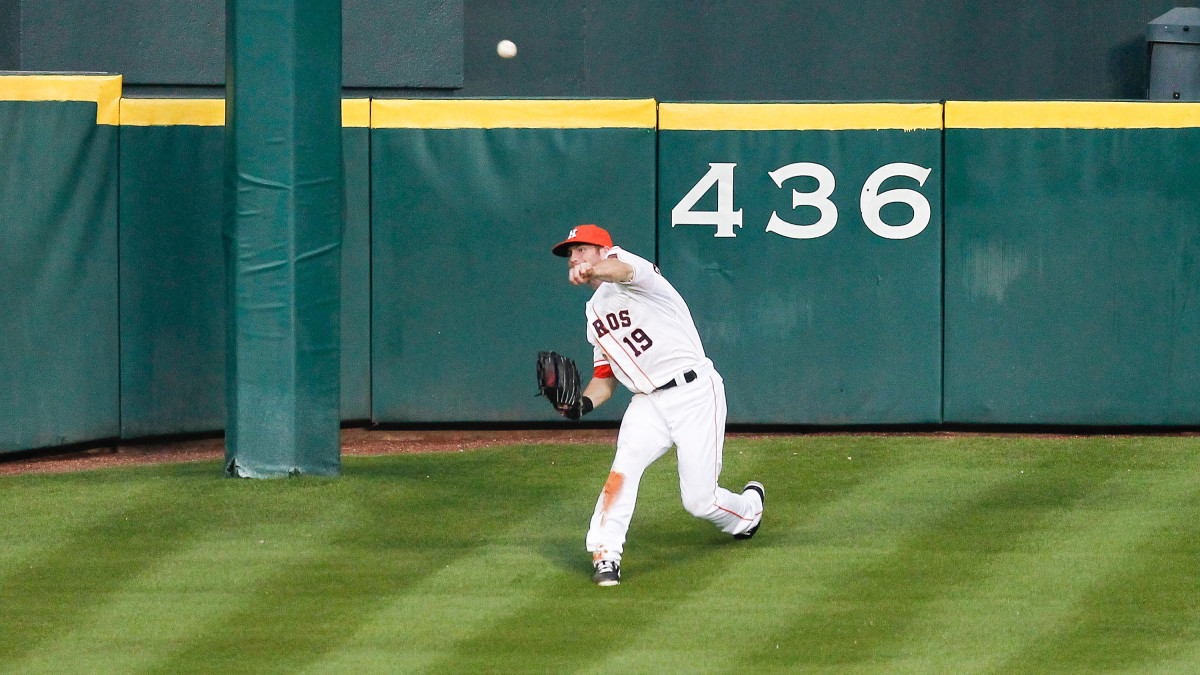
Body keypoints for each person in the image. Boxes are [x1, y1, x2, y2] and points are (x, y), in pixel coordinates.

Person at [551, 224, 764, 587]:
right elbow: (605, 379)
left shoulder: (632, 271)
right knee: (623, 469)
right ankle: (605, 553)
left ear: (604, 250)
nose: (574, 258)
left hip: (694, 392)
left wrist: (594, 268)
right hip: (648, 403)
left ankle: (748, 512)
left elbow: (620, 271)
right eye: (571, 254)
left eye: (582, 249)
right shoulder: (594, 314)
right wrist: (581, 405)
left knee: (699, 500)